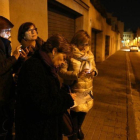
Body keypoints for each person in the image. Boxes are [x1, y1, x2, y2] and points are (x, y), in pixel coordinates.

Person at [15, 34, 75, 140]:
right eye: (63, 58)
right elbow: (43, 105)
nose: (63, 62)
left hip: (44, 129)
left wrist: (65, 93)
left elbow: (51, 92)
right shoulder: (34, 67)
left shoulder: (48, 66)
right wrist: (67, 99)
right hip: (35, 132)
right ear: (54, 51)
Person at [59, 30, 98, 140]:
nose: (85, 47)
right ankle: (73, 134)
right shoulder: (70, 55)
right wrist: (77, 74)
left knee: (84, 113)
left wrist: (94, 72)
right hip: (75, 91)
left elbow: (94, 67)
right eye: (83, 44)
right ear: (76, 42)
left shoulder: (89, 54)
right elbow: (61, 72)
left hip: (87, 90)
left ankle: (78, 130)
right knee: (74, 116)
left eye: (87, 44)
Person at [0, 16, 21, 140]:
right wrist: (15, 57)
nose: (9, 34)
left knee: (7, 123)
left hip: (6, 92)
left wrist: (19, 58)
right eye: (6, 31)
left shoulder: (5, 44)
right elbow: (1, 67)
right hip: (1, 95)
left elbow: (9, 68)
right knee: (3, 125)